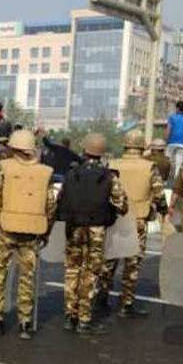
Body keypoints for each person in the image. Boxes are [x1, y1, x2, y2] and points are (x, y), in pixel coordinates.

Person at [0, 129, 57, 339]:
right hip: (33, 231)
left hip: (6, 229)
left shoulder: (4, 168)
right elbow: (50, 206)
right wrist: (46, 231)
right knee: (27, 279)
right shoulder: (46, 172)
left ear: (14, 147)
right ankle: (24, 323)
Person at [57, 133, 128, 335]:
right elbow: (122, 205)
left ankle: (70, 315)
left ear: (85, 150)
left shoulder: (72, 173)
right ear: (102, 152)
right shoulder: (109, 176)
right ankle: (84, 318)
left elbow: (60, 199)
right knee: (91, 272)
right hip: (97, 228)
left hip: (73, 227)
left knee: (72, 270)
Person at [99, 130, 167, 317]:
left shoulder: (111, 164)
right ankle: (126, 302)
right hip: (138, 218)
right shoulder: (149, 167)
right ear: (141, 146)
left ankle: (102, 295)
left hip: (114, 217)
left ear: (125, 145)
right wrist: (163, 209)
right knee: (132, 262)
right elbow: (159, 193)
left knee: (109, 259)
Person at [165, 100, 183, 178]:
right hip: (182, 144)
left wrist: (166, 140)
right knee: (179, 163)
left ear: (177, 108)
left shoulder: (172, 117)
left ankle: (168, 178)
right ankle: (176, 179)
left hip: (171, 142)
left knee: (168, 161)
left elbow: (168, 129)